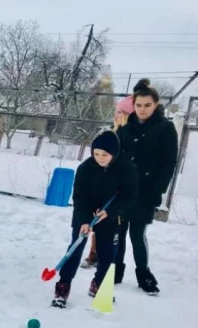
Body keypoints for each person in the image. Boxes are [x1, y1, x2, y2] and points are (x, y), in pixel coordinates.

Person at [51, 130, 138, 308]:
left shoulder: (127, 168)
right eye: (96, 153)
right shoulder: (85, 168)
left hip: (109, 216)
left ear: (114, 152)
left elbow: (130, 196)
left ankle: (98, 285)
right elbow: (79, 197)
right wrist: (83, 220)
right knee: (75, 249)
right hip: (85, 214)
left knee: (108, 254)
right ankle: (63, 286)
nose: (100, 158)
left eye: (104, 154)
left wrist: (111, 211)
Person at [115, 79, 179, 295]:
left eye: (147, 105)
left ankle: (144, 275)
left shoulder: (165, 128)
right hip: (122, 191)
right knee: (119, 233)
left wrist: (157, 190)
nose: (142, 110)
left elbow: (169, 162)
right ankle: (115, 271)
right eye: (138, 105)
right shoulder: (126, 128)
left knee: (137, 234)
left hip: (146, 192)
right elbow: (116, 157)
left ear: (155, 105)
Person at [81, 94, 135, 269]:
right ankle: (94, 255)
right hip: (104, 185)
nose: (116, 114)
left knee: (117, 230)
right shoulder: (113, 132)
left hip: (123, 188)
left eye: (121, 112)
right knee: (98, 219)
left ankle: (112, 265)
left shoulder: (132, 136)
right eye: (116, 111)